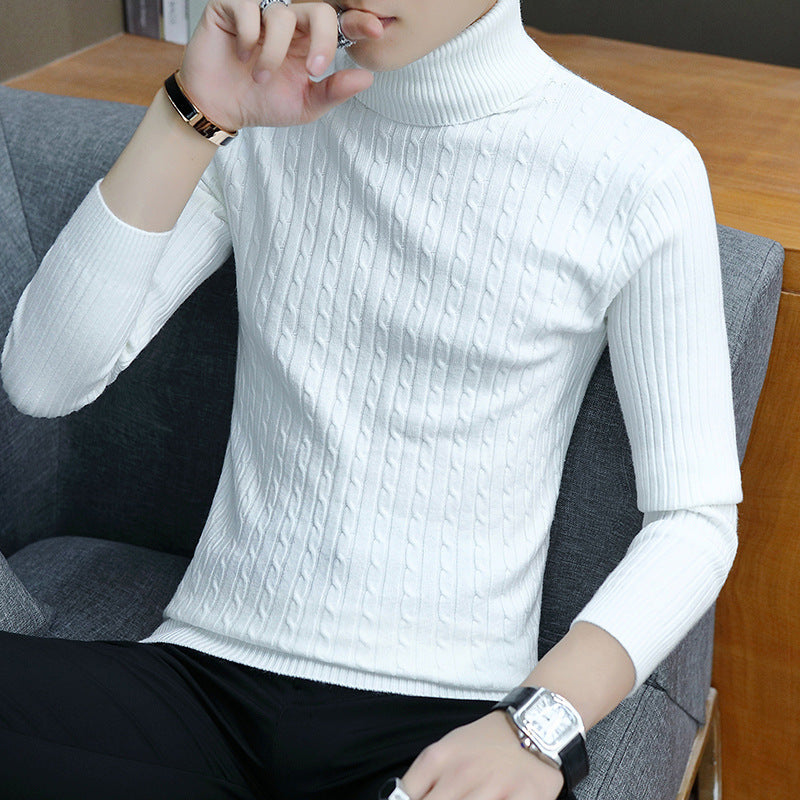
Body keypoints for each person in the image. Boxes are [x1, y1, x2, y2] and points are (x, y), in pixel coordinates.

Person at [0, 0, 742, 798]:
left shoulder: (639, 172)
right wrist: (192, 110)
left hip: (442, 723)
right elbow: (43, 380)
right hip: (199, 685)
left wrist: (536, 724)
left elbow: (692, 521)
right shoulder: (263, 114)